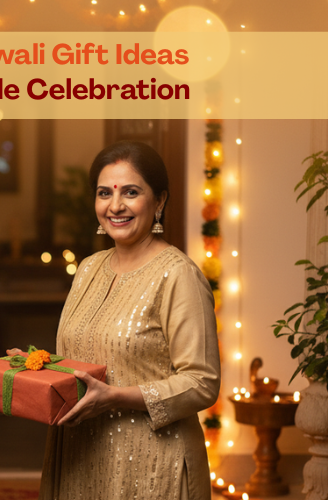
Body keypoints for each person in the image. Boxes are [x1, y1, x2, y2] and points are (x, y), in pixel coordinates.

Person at [38, 141, 221, 500]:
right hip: (80, 457)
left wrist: (116, 398)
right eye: (104, 193)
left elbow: (202, 382)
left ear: (160, 201)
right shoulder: (89, 268)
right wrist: (37, 367)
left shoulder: (177, 275)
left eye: (131, 192)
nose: (115, 206)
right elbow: (80, 359)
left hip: (153, 466)